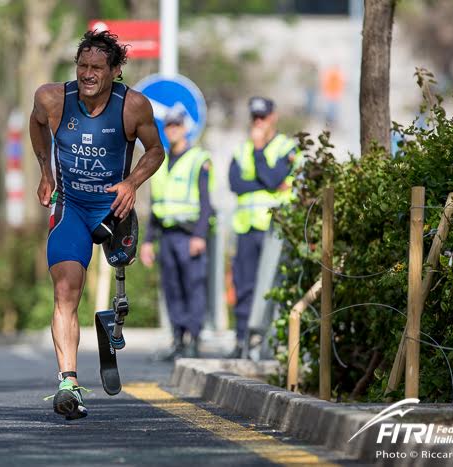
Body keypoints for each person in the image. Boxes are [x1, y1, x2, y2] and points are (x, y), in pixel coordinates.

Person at [29, 30, 164, 420]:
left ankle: (113, 320)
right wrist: (45, 172)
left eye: (97, 68)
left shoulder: (133, 106)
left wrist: (132, 182)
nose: (87, 74)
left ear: (115, 71)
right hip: (71, 207)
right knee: (67, 290)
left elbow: (156, 150)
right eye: (82, 66)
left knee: (119, 280)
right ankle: (67, 383)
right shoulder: (52, 98)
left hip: (112, 212)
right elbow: (37, 125)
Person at [227, 96, 300, 358]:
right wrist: (267, 183)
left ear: (273, 117)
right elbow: (236, 184)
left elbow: (272, 176)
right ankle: (241, 341)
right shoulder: (241, 148)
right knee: (243, 286)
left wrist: (259, 152)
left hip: (274, 230)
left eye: (263, 117)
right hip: (247, 228)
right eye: (254, 117)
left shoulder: (286, 147)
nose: (258, 122)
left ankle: (268, 343)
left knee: (272, 285)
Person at [140, 107, 214, 360]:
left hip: (189, 234)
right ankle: (178, 339)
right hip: (167, 236)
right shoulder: (160, 161)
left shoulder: (198, 159)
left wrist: (199, 236)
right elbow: (155, 206)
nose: (172, 130)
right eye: (168, 126)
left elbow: (206, 204)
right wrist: (148, 241)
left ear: (184, 128)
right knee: (171, 288)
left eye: (176, 126)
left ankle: (193, 339)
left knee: (193, 287)